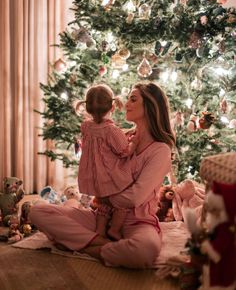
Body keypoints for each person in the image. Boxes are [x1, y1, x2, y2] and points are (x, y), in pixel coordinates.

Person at [30, 82, 176, 269]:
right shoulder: (120, 136)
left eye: (133, 99)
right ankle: (102, 242)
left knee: (145, 251)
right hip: (102, 216)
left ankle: (89, 247)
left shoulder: (160, 150)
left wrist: (104, 197)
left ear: (150, 105)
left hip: (137, 222)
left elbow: (135, 197)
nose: (126, 103)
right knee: (38, 211)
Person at [78, 84, 139, 240]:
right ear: (113, 107)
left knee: (103, 204)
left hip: (94, 177)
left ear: (88, 108)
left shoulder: (85, 126)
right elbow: (123, 150)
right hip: (110, 176)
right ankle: (114, 229)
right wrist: (134, 142)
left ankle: (100, 231)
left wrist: (124, 134)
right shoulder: (111, 130)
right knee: (121, 204)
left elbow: (100, 141)